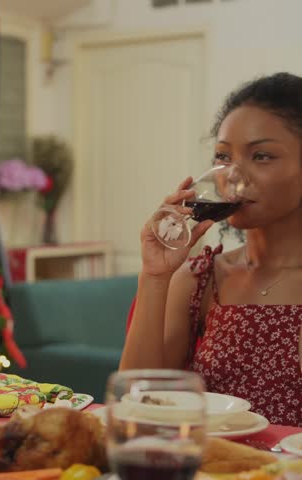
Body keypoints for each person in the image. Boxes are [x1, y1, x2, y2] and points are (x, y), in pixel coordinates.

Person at [121, 72, 302, 427]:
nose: (232, 175)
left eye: (261, 156)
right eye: (222, 156)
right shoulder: (200, 279)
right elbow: (135, 405)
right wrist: (156, 275)